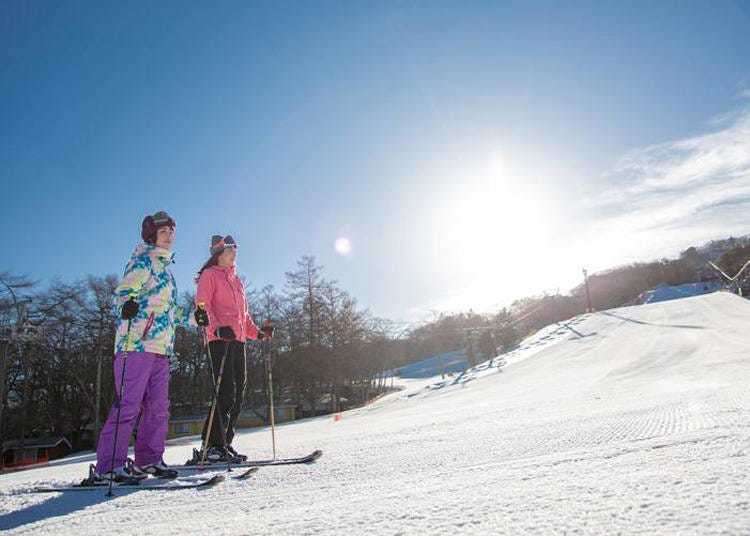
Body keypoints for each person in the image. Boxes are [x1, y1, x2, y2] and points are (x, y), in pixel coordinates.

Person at [92, 211, 191, 482]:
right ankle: (109, 466)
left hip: (161, 348)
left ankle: (149, 460)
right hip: (135, 344)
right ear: (152, 235)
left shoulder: (168, 274)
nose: (169, 235)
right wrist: (126, 304)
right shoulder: (142, 261)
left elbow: (171, 311)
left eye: (172, 231)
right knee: (129, 405)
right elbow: (123, 292)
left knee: (159, 407)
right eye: (164, 231)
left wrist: (195, 317)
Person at [194, 235, 272, 463]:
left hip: (238, 341)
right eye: (230, 251)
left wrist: (258, 333)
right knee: (225, 391)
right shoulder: (209, 276)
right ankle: (211, 446)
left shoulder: (237, 282)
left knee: (238, 393)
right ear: (218, 254)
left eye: (235, 251)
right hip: (219, 341)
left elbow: (243, 317)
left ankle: (225, 443)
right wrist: (217, 329)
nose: (234, 254)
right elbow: (202, 306)